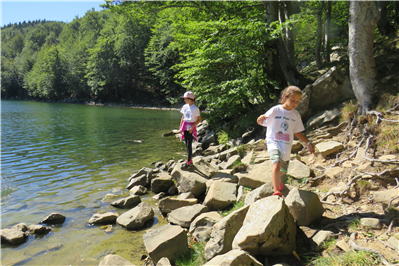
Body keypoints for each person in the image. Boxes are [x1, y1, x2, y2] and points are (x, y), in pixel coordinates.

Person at [257, 86, 315, 197]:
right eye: (292, 100)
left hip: (286, 145)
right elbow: (262, 121)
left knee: (283, 170)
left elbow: (297, 132)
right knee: (276, 163)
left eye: (297, 101)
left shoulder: (295, 115)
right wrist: (259, 119)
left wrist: (308, 143)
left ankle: (277, 178)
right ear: (285, 98)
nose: (295, 103)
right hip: (273, 141)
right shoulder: (276, 110)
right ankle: (276, 191)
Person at [179, 91, 202, 170]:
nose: (184, 100)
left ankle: (188, 162)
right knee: (186, 144)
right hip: (185, 127)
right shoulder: (185, 106)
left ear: (190, 99)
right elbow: (183, 117)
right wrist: (180, 127)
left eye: (185, 98)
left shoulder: (195, 108)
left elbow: (199, 119)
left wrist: (192, 127)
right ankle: (190, 160)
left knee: (189, 144)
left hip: (190, 127)